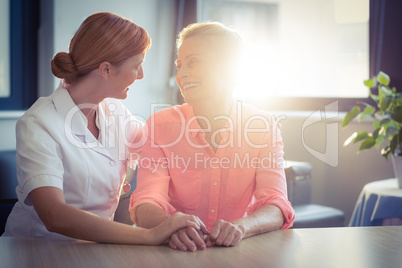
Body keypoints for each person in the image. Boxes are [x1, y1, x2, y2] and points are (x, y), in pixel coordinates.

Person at [2, 12, 206, 245]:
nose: (141, 75)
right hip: (37, 249)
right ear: (106, 69)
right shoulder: (39, 123)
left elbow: (160, 145)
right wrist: (149, 235)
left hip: (94, 250)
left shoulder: (115, 112)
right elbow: (54, 215)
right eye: (137, 66)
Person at [129, 22, 295, 252]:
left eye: (193, 62)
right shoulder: (161, 125)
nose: (182, 74)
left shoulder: (263, 126)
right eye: (179, 65)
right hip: (174, 252)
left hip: (236, 254)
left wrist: (241, 227)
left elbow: (276, 204)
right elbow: (146, 202)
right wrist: (171, 227)